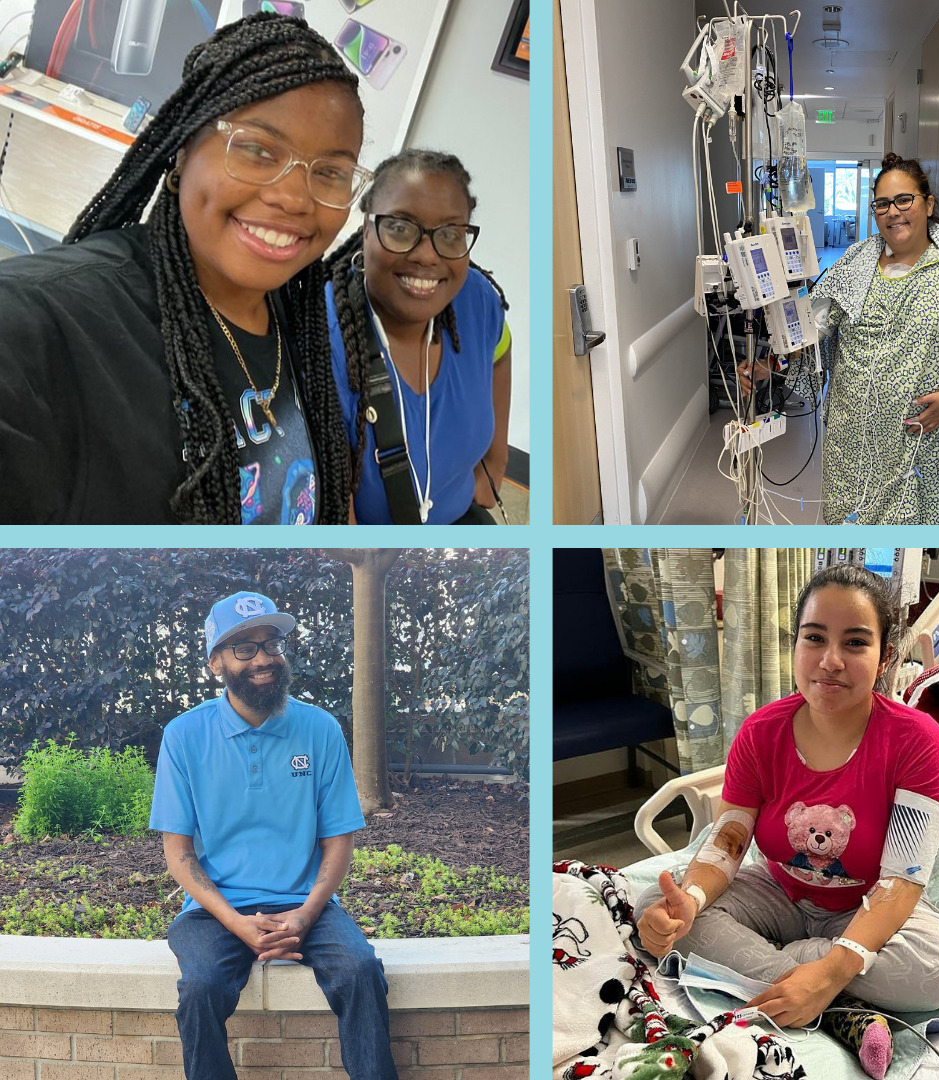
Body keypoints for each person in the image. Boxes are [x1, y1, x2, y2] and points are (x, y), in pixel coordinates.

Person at [0, 14, 364, 524]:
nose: (293, 197)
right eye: (258, 149)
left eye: (330, 172)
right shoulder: (39, 329)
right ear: (184, 146)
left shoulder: (299, 319)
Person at [636, 565, 939, 1031]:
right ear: (795, 646)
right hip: (776, 894)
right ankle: (830, 1005)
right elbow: (728, 843)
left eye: (855, 642)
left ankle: (806, 978)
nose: (830, 660)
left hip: (866, 908)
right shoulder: (761, 732)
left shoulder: (917, 741)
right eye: (814, 638)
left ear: (884, 658)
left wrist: (835, 965)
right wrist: (691, 900)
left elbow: (901, 881)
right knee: (657, 906)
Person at [149, 591, 397, 1080]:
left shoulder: (319, 728)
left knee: (361, 972)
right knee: (200, 989)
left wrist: (305, 914)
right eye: (244, 647)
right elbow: (178, 854)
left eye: (271, 643)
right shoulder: (184, 735)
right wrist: (239, 925)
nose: (262, 658)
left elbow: (338, 839)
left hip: (306, 904)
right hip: (214, 910)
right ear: (216, 662)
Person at [740, 154, 939, 525]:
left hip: (919, 445)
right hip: (851, 441)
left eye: (905, 200)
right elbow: (815, 336)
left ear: (928, 203)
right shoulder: (854, 264)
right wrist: (767, 367)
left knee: (905, 548)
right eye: (882, 204)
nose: (893, 212)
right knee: (848, 536)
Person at [326, 149, 511, 525]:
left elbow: (500, 349)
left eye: (450, 234)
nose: (427, 256)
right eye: (399, 227)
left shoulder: (474, 298)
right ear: (366, 230)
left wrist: (495, 461)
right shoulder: (324, 339)